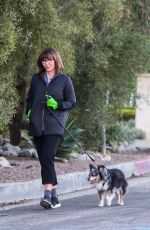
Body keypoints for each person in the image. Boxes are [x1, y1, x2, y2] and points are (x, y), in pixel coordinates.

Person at [26, 48, 76, 209]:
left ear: (56, 60)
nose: (46, 63)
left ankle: (47, 194)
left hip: (54, 125)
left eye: (49, 60)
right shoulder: (36, 79)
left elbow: (71, 102)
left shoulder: (64, 79)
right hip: (37, 125)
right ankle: (55, 197)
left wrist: (57, 105)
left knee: (47, 156)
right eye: (44, 61)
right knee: (44, 160)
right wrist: (29, 111)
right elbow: (30, 98)